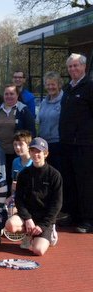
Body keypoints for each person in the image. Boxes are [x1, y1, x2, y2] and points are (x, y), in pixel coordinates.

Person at [4, 138, 62, 255]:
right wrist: (28, 219)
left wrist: (43, 225)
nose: (35, 154)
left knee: (38, 250)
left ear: (45, 154)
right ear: (29, 152)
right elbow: (19, 199)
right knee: (10, 225)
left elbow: (57, 204)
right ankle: (29, 234)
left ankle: (50, 233)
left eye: (39, 152)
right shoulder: (24, 174)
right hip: (29, 216)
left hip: (45, 219)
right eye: (33, 151)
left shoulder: (54, 175)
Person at [59, 53, 93, 233]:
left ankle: (88, 219)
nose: (73, 69)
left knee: (85, 183)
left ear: (84, 67)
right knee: (70, 182)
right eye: (70, 67)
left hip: (85, 145)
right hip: (67, 144)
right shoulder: (67, 89)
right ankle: (74, 215)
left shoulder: (90, 87)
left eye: (76, 66)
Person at [0, 83, 36, 187]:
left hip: (15, 154)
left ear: (17, 95)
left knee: (14, 181)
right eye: (6, 94)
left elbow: (31, 131)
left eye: (12, 94)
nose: (9, 96)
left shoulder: (23, 110)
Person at [38, 71, 63, 173]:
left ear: (59, 85)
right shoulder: (44, 102)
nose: (50, 87)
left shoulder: (64, 101)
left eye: (53, 84)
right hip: (44, 145)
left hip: (58, 145)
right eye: (48, 84)